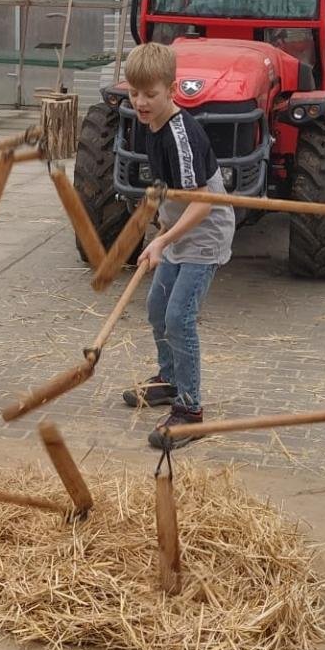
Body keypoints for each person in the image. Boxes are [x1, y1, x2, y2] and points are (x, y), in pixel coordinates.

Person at [113, 41, 238, 450]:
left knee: (178, 318)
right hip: (177, 229)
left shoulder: (181, 134)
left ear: (171, 89)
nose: (140, 102)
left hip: (204, 234)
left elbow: (202, 202)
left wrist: (163, 239)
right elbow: (170, 189)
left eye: (150, 94)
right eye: (135, 93)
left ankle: (190, 410)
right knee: (156, 309)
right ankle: (169, 379)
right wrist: (159, 229)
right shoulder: (148, 125)